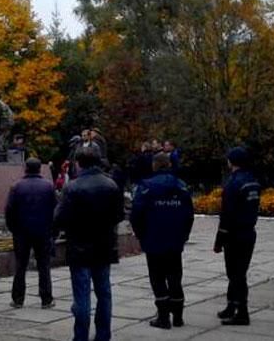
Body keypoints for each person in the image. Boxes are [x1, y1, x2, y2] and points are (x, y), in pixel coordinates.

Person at [54, 146, 124, 341]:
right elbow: (119, 215)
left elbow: (59, 218)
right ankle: (103, 335)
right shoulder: (111, 185)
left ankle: (80, 336)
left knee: (82, 296)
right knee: (104, 293)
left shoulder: (72, 187)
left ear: (78, 163)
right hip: (104, 246)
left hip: (79, 247)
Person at [130, 153, 194, 329]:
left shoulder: (146, 187)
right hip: (175, 240)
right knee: (175, 276)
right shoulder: (181, 186)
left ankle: (164, 317)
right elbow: (189, 214)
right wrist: (184, 235)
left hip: (154, 239)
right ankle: (178, 316)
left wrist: (140, 234)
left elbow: (136, 214)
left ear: (154, 166)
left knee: (157, 278)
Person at [214, 147, 261, 326]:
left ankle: (242, 312)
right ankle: (231, 305)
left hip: (235, 234)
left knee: (236, 274)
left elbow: (227, 215)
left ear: (231, 162)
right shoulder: (252, 181)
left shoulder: (233, 183)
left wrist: (219, 241)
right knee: (237, 273)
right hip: (249, 232)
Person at [5, 158, 56, 309]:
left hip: (22, 232)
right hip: (43, 232)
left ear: (25, 168)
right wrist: (53, 231)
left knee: (20, 266)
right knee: (44, 266)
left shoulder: (16, 186)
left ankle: (18, 299)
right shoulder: (48, 186)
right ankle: (46, 299)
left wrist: (13, 229)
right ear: (40, 169)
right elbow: (55, 209)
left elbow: (9, 210)